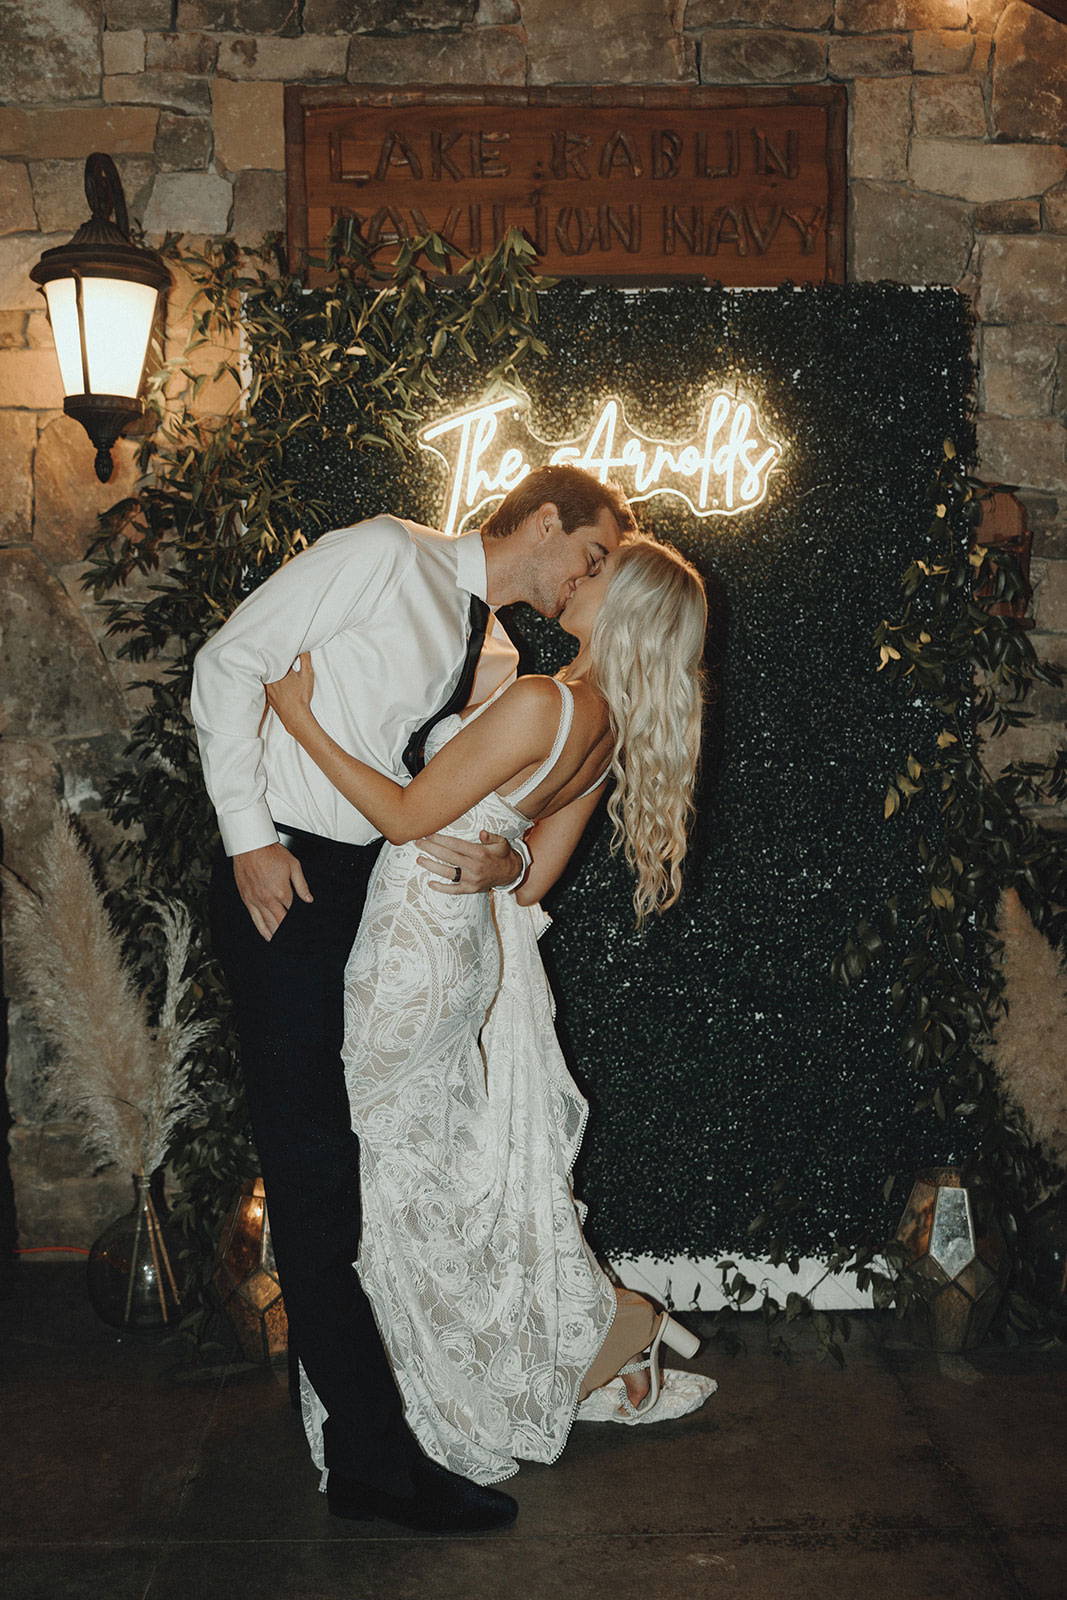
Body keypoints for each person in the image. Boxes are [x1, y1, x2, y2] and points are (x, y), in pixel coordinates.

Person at [193, 466, 635, 1534]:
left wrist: (506, 859)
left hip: (351, 892)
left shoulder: (479, 638)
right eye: (588, 552)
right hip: (286, 876)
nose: (587, 575)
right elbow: (228, 660)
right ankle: (380, 1464)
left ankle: (361, 1450)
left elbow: (491, 785)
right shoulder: (383, 554)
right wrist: (249, 836)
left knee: (334, 1167)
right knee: (310, 1170)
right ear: (541, 521)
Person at [264, 535, 717, 1490]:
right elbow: (530, 876)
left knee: (376, 1173)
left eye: (600, 575)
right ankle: (484, 1366)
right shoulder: (603, 725)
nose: (578, 576)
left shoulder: (543, 701)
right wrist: (502, 856)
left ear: (624, 610)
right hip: (460, 950)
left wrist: (297, 719)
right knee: (412, 1167)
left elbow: (401, 815)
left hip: (411, 953)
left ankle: (417, 1407)